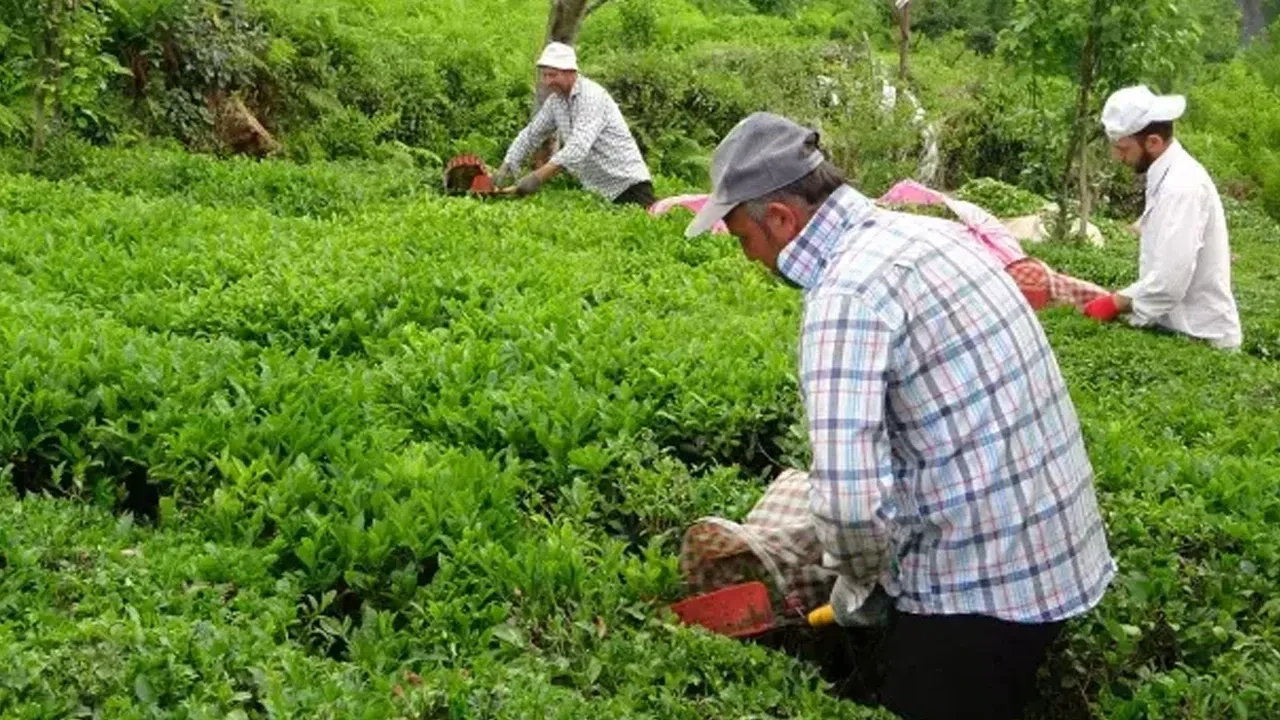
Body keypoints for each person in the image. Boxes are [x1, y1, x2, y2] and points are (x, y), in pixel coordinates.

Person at [684, 112, 1115, 720]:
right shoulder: (931, 234)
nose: (750, 258)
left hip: (981, 594)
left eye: (742, 239)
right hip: (1059, 554)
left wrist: (857, 589)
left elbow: (850, 506)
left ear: (780, 219)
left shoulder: (846, 296)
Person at [1084, 85, 1242, 350]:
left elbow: (1170, 281)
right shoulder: (1166, 174)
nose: (1117, 157)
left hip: (1200, 336)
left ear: (1153, 142)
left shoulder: (1182, 187)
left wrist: (1114, 302)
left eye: (1122, 148)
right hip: (1176, 326)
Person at [494, 42, 654, 207]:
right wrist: (507, 165)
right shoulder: (556, 101)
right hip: (598, 192)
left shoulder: (591, 96)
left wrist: (537, 177)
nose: (548, 81)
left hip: (628, 185)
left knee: (646, 218)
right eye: (545, 76)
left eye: (553, 75)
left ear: (570, 72)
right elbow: (531, 134)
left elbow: (578, 147)